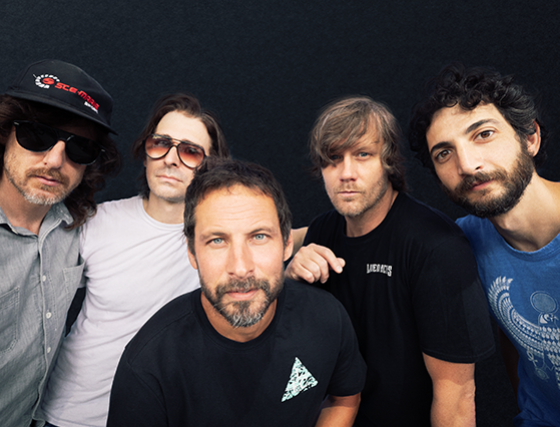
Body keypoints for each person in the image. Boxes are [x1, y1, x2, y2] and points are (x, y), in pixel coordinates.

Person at [106, 158, 367, 427]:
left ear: (287, 243)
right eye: (217, 240)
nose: (241, 268)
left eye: (259, 237)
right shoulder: (148, 365)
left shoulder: (326, 318)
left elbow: (344, 399)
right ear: (192, 252)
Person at [286, 96, 495, 426]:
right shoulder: (322, 232)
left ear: (388, 161)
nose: (346, 174)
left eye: (363, 155)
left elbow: (456, 398)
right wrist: (291, 282)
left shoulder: (435, 247)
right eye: (333, 159)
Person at [409, 63, 560, 427]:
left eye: (484, 134)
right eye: (444, 153)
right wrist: (297, 244)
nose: (467, 164)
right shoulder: (462, 243)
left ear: (530, 138)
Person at [37, 93, 229, 427]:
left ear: (208, 167)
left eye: (190, 151)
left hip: (157, 418)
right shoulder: (96, 222)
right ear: (146, 153)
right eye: (161, 144)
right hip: (71, 415)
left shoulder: (220, 239)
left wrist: (306, 249)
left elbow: (279, 237)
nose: (171, 159)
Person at [0, 59, 120, 427]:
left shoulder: (78, 229)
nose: (55, 160)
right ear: (3, 131)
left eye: (80, 148)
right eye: (37, 136)